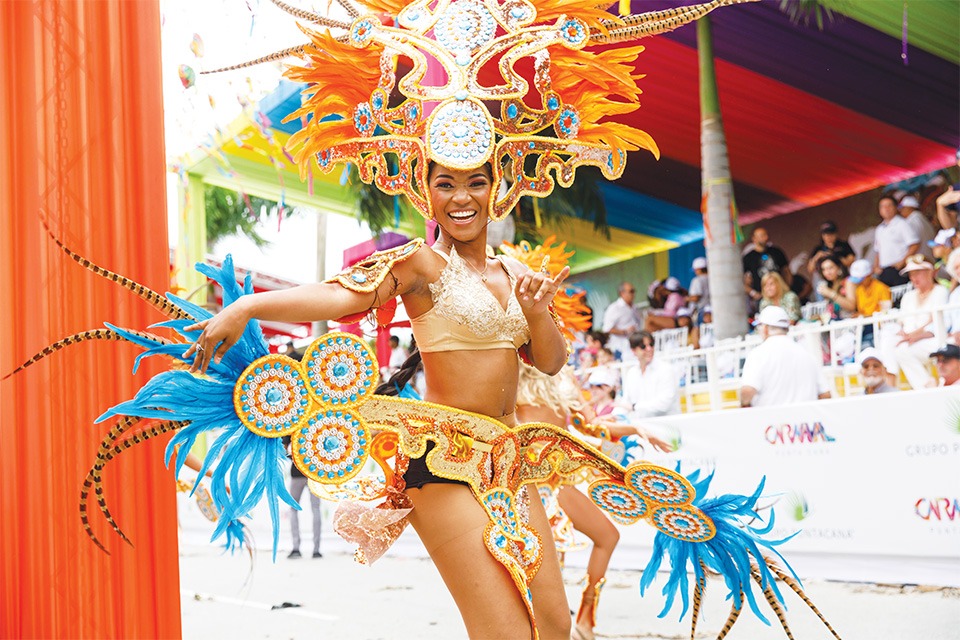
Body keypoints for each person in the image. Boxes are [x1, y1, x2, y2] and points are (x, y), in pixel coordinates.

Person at [514, 364, 669, 640]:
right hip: (528, 486)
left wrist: (635, 428)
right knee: (544, 563)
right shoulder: (510, 372)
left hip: (558, 482)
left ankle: (585, 619)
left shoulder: (563, 378)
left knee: (606, 536)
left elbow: (593, 425)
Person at [879, 255, 948, 390]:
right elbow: (901, 323)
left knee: (901, 351)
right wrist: (903, 334)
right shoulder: (908, 297)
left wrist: (914, 336)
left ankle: (925, 386)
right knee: (888, 339)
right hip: (909, 341)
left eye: (917, 273)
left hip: (933, 339)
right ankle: (890, 379)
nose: (913, 278)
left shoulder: (940, 292)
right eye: (911, 274)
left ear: (930, 272)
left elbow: (935, 323)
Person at [740, 306, 830, 407]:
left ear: (765, 328)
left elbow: (747, 392)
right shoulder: (806, 353)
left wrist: (744, 405)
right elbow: (825, 394)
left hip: (771, 420)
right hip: (805, 420)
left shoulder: (757, 354)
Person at [620, 331, 681, 418]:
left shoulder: (665, 369)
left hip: (668, 425)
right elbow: (626, 401)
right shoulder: (632, 373)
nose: (649, 349)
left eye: (651, 344)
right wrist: (615, 415)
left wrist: (635, 407)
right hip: (642, 425)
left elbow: (664, 403)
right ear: (633, 351)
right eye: (643, 346)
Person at [281, 435, 323, 559]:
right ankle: (316, 549)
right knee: (316, 509)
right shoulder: (316, 422)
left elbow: (283, 449)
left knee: (293, 509)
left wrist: (294, 458)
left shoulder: (294, 424)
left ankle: (296, 548)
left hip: (297, 471)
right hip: (314, 472)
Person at [873, 194, 920, 287]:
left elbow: (915, 244)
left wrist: (902, 262)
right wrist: (876, 267)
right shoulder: (879, 229)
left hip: (899, 269)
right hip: (884, 271)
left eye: (889, 206)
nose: (886, 209)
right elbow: (878, 251)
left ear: (895, 207)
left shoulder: (902, 224)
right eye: (882, 206)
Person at [742, 227, 791, 294]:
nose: (765, 238)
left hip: (780, 292)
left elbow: (786, 271)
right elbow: (743, 280)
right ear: (754, 239)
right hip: (761, 295)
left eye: (766, 235)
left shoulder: (776, 252)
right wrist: (753, 293)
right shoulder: (748, 257)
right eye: (762, 236)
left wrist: (787, 287)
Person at [601, 282, 642, 362]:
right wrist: (625, 331)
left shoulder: (634, 307)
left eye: (634, 291)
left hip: (634, 345)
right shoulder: (614, 308)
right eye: (631, 291)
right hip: (620, 348)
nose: (633, 294)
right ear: (622, 293)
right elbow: (606, 329)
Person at [815, 255, 855, 320]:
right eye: (824, 269)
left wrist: (831, 294)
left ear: (839, 268)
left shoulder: (848, 282)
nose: (827, 272)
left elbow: (851, 306)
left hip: (849, 323)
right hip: (835, 325)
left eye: (830, 268)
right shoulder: (829, 285)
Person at [899, 195, 936, 260]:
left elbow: (914, 243)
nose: (901, 211)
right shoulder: (923, 219)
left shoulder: (910, 221)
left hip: (919, 259)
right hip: (930, 257)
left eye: (902, 208)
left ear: (909, 208)